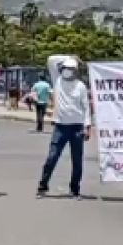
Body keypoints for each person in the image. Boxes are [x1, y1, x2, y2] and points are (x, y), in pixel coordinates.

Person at [37, 57, 92, 200]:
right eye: (65, 68)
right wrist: (71, 58)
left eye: (71, 69)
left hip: (77, 127)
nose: (67, 72)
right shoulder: (57, 81)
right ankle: (43, 185)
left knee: (77, 161)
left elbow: (86, 108)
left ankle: (75, 189)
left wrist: (87, 126)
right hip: (60, 127)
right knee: (52, 157)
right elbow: (51, 60)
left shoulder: (80, 86)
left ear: (75, 71)